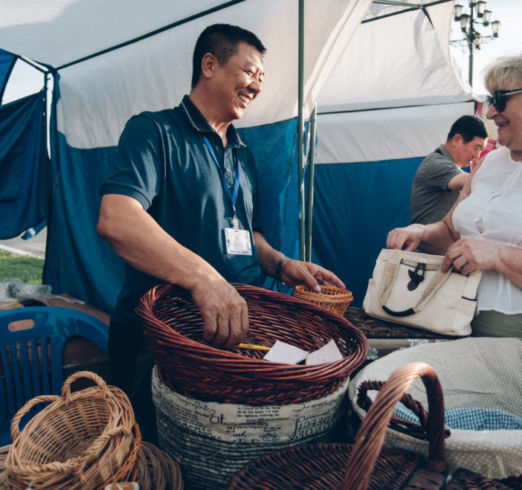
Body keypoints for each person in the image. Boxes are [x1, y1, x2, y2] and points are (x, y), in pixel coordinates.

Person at [96, 24, 344, 439]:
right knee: (157, 462)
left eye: (261, 79)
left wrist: (282, 264)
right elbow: (116, 218)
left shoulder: (242, 154)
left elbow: (248, 236)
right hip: (160, 344)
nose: (256, 87)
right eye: (250, 72)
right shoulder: (154, 131)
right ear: (209, 65)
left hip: (230, 341)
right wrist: (204, 277)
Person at [386, 50, 522, 350]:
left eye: (501, 98)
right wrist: (420, 233)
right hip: (454, 323)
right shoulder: (489, 163)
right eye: (491, 100)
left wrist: (498, 256)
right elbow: (452, 233)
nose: (490, 112)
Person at [410, 115, 487, 224]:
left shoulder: (449, 165)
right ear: (457, 140)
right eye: (476, 148)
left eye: (481, 151)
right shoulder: (436, 164)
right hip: (430, 239)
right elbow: (471, 180)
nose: (477, 156)